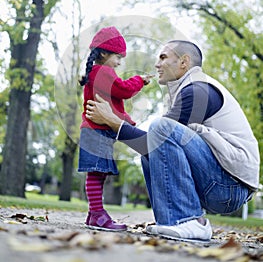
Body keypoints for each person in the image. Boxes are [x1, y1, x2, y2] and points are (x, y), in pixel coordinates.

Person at [85, 39, 260, 242]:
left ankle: (189, 221)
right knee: (150, 152)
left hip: (229, 187)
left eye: (163, 57)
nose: (157, 64)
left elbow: (157, 139)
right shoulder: (184, 91)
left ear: (184, 62)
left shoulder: (198, 90)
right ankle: (172, 221)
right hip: (218, 181)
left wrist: (114, 122)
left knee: (160, 128)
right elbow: (156, 148)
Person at [78, 26, 152, 232]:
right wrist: (139, 80)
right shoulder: (103, 72)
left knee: (98, 173)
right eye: (118, 57)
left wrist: (126, 120)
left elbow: (113, 100)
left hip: (96, 130)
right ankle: (98, 214)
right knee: (96, 173)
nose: (120, 62)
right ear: (103, 53)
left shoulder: (97, 73)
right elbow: (123, 90)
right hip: (96, 130)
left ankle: (94, 214)